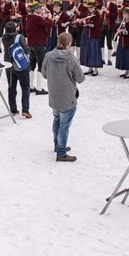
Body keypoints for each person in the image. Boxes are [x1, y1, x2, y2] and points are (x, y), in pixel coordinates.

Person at [42, 32, 84, 162]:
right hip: (68, 97)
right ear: (69, 43)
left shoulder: (48, 56)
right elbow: (80, 78)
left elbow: (44, 74)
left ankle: (58, 144)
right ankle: (61, 152)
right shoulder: (72, 59)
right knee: (64, 125)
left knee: (57, 120)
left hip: (54, 95)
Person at [2, 22, 31, 118]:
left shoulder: (4, 38)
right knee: (25, 87)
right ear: (15, 29)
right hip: (20, 65)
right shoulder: (19, 37)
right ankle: (25, 109)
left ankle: (13, 108)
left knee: (11, 87)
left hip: (9, 65)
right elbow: (27, 50)